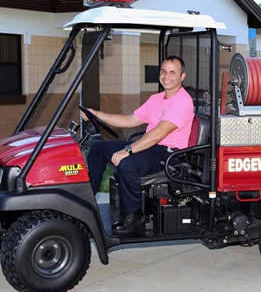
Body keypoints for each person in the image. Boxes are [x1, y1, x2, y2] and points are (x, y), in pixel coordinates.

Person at [83, 56, 194, 233]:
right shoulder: (156, 99)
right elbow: (129, 120)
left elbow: (160, 133)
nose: (167, 76)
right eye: (163, 71)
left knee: (127, 164)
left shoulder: (183, 101)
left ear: (182, 76)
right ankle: (86, 201)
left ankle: (133, 214)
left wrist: (128, 149)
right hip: (152, 146)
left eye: (173, 72)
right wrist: (96, 113)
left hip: (168, 154)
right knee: (98, 148)